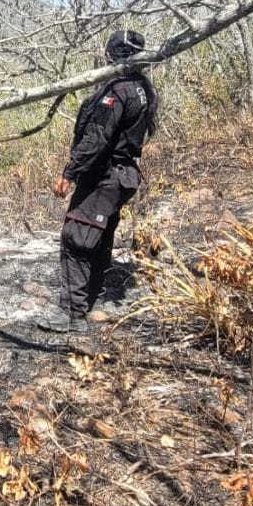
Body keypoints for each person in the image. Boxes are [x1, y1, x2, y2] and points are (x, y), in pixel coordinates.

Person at [39, 30, 158, 333]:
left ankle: (72, 313)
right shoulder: (143, 86)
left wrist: (70, 171)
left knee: (76, 239)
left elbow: (98, 137)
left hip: (106, 175)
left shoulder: (117, 90)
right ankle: (94, 299)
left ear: (110, 55)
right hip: (122, 176)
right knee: (99, 236)